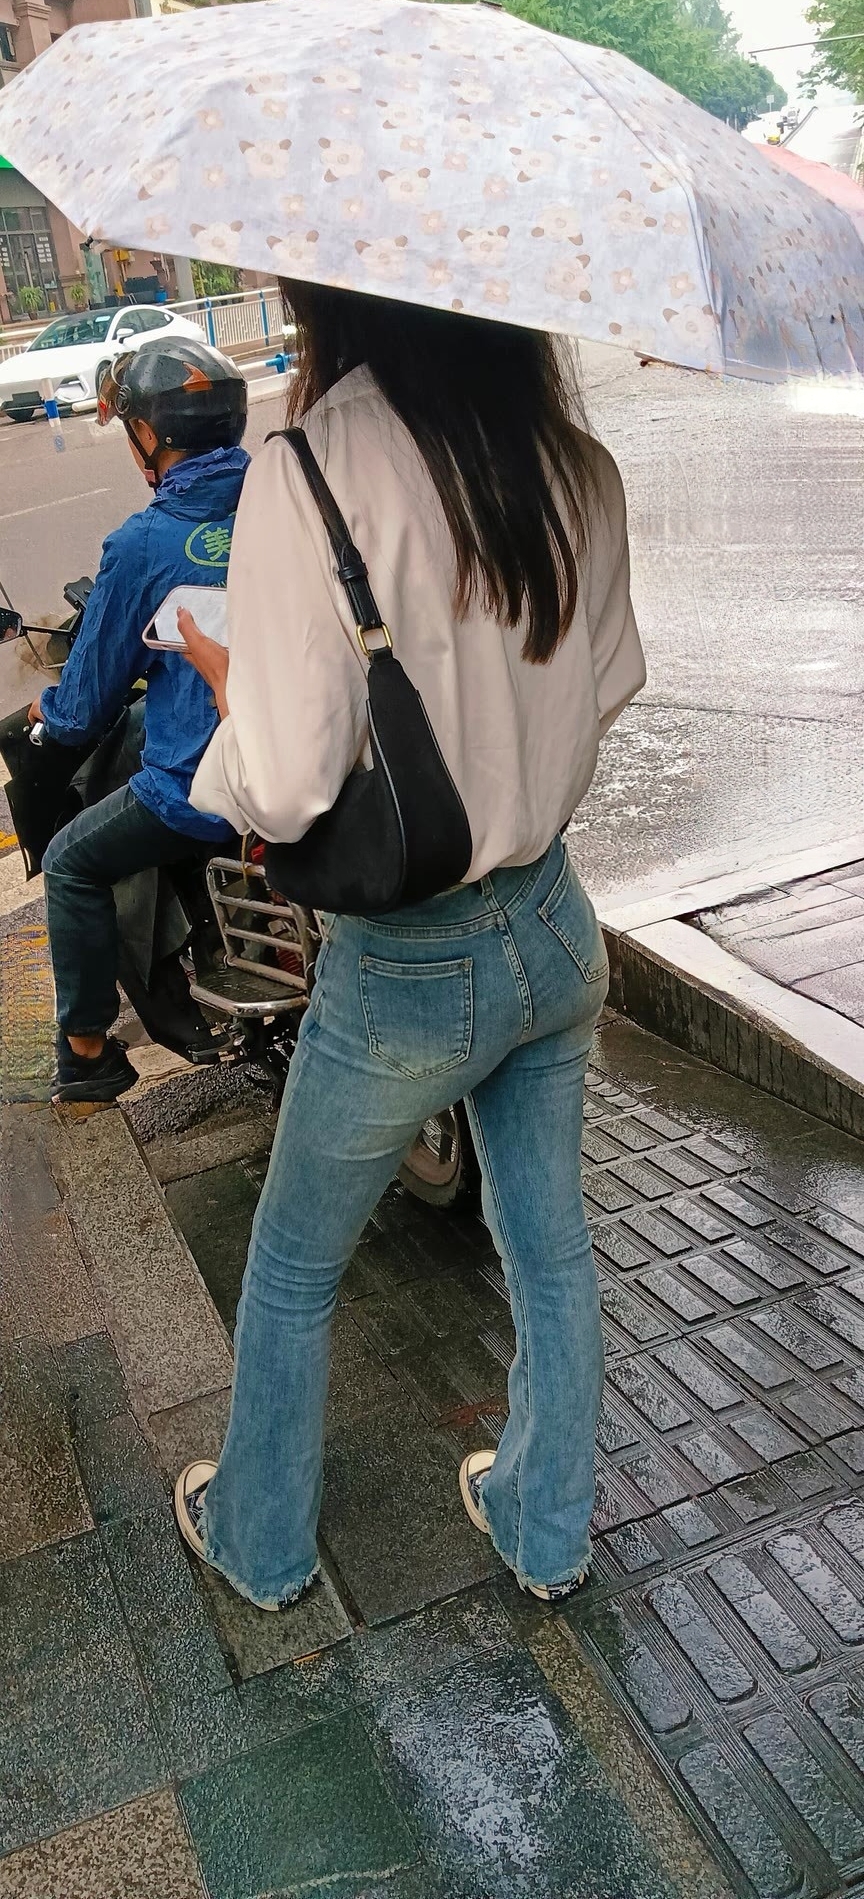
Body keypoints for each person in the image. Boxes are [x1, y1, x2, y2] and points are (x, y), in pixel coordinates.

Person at [174, 285, 645, 1611]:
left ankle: (260, 1543)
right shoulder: (574, 461)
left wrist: (232, 697)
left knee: (294, 1265)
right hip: (552, 920)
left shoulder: (312, 470)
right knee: (549, 1247)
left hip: (408, 964)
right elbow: (610, 680)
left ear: (332, 291)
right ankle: (544, 1529)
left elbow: (285, 786)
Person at [33, 339, 249, 1102]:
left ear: (149, 435)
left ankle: (88, 1053)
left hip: (201, 787)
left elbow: (84, 706)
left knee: (70, 861)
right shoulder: (291, 504)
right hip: (312, 756)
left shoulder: (142, 543)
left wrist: (47, 715)